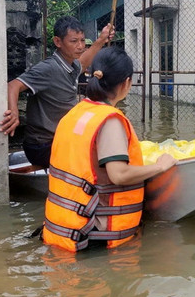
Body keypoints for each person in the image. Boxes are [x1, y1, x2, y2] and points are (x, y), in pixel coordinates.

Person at [42, 47, 176, 252]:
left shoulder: (77, 112)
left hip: (63, 229)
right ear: (127, 83)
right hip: (93, 236)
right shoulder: (110, 120)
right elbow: (119, 175)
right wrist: (160, 167)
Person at [0, 17, 114, 169]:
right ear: (58, 42)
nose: (80, 46)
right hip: (42, 146)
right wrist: (14, 113)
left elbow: (84, 62)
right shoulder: (48, 69)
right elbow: (13, 86)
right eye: (73, 41)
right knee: (101, 154)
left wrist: (101, 39)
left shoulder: (70, 65)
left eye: (82, 40)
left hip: (59, 139)